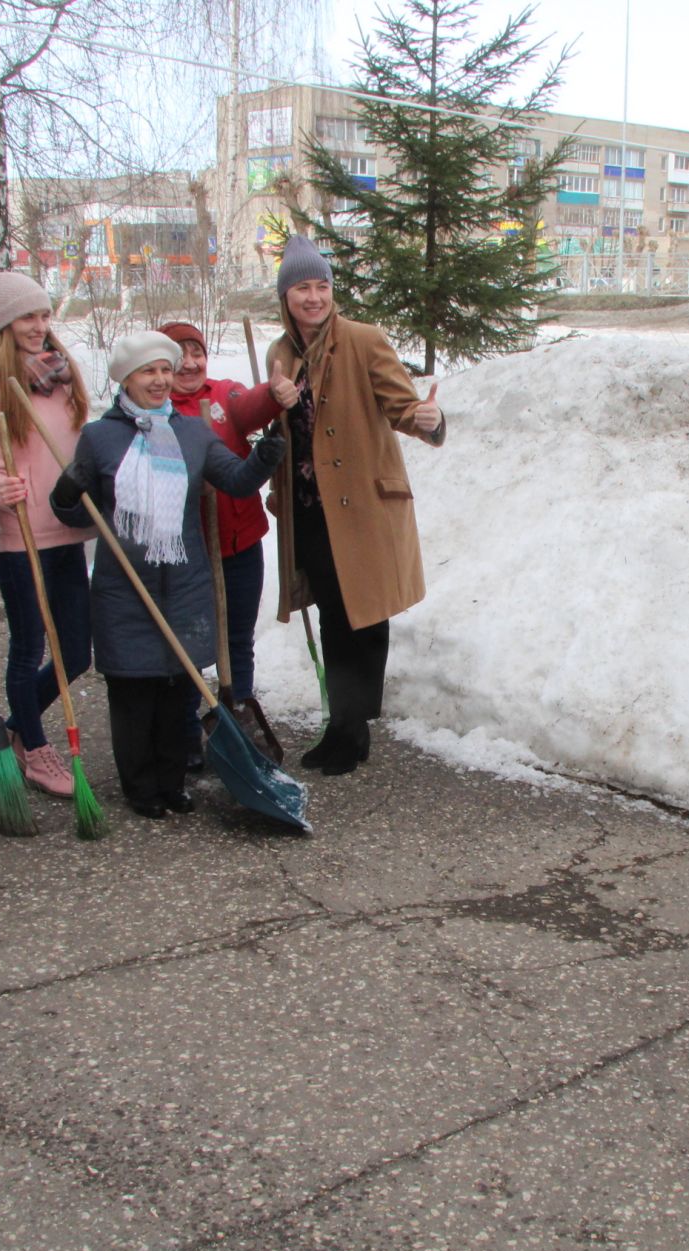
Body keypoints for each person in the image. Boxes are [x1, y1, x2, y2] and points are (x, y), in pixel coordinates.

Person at [50, 332, 286, 819]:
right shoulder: (100, 438)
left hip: (184, 581)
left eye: (164, 369)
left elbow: (237, 482)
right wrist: (67, 492)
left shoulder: (193, 433)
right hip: (124, 586)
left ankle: (173, 780)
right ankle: (140, 786)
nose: (159, 380)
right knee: (134, 691)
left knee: (179, 688)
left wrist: (264, 457)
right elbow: (78, 517)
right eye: (147, 371)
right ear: (126, 378)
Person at [263, 236, 446, 776]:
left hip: (361, 503)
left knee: (361, 614)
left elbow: (401, 405)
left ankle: (352, 726)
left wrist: (427, 421)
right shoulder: (282, 354)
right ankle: (343, 723)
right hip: (310, 507)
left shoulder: (364, 340)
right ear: (286, 295)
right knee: (331, 612)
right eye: (302, 287)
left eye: (321, 286)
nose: (314, 297)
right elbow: (279, 424)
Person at [0, 271, 93, 797]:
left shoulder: (64, 376)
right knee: (27, 649)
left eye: (43, 315)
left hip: (67, 532)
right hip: (23, 541)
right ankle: (36, 749)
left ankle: (19, 724)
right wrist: (0, 489)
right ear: (4, 325)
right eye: (27, 317)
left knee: (78, 652)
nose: (39, 326)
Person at [159, 319, 279, 721]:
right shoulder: (157, 409)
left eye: (198, 353)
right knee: (189, 641)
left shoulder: (224, 394)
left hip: (240, 543)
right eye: (180, 356)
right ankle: (189, 725)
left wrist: (272, 394)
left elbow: (251, 406)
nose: (191, 364)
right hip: (189, 553)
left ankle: (240, 709)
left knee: (239, 637)